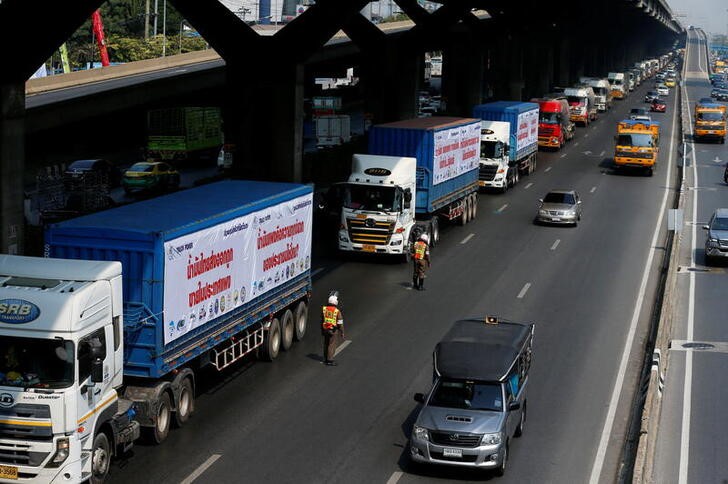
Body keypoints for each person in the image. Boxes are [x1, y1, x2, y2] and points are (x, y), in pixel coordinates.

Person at [321, 293, 344, 366]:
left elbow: (322, 320)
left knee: (326, 343)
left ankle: (325, 358)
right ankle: (330, 360)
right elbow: (340, 323)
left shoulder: (324, 309)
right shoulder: (337, 311)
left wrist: (322, 330)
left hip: (325, 330)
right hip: (333, 331)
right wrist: (342, 332)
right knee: (331, 345)